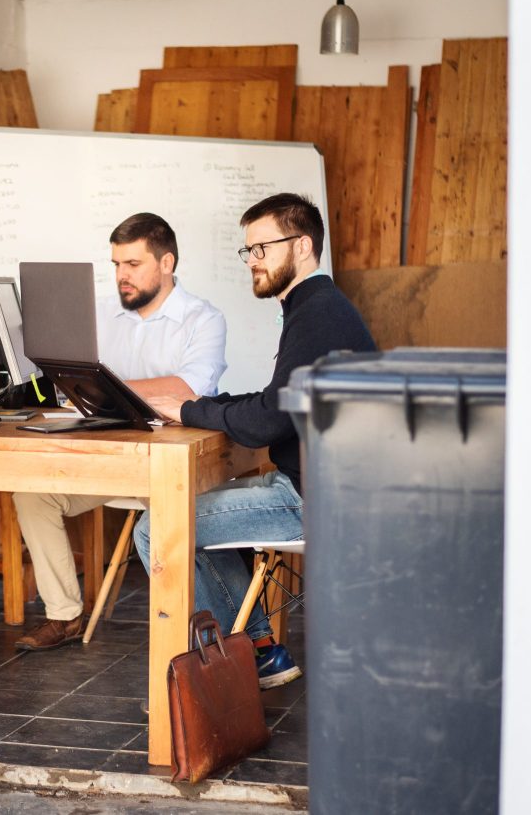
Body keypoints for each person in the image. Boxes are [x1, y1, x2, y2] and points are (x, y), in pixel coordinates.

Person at [136, 192, 376, 688]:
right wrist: (206, 404)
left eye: (263, 248)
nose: (253, 261)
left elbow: (269, 421)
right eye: (249, 250)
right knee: (187, 511)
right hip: (317, 487)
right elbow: (278, 398)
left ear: (303, 246)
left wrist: (190, 410)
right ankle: (260, 651)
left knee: (158, 526)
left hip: (314, 499)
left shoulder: (318, 314)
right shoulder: (316, 307)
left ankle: (232, 664)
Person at [11, 212, 227, 652]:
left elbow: (188, 388)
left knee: (169, 516)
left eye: (132, 264)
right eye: (115, 265)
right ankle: (65, 616)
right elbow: (75, 380)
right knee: (32, 495)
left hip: (173, 463)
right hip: (112, 458)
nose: (121, 276)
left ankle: (191, 632)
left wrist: (109, 386)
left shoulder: (203, 318)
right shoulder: (102, 315)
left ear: (166, 263)